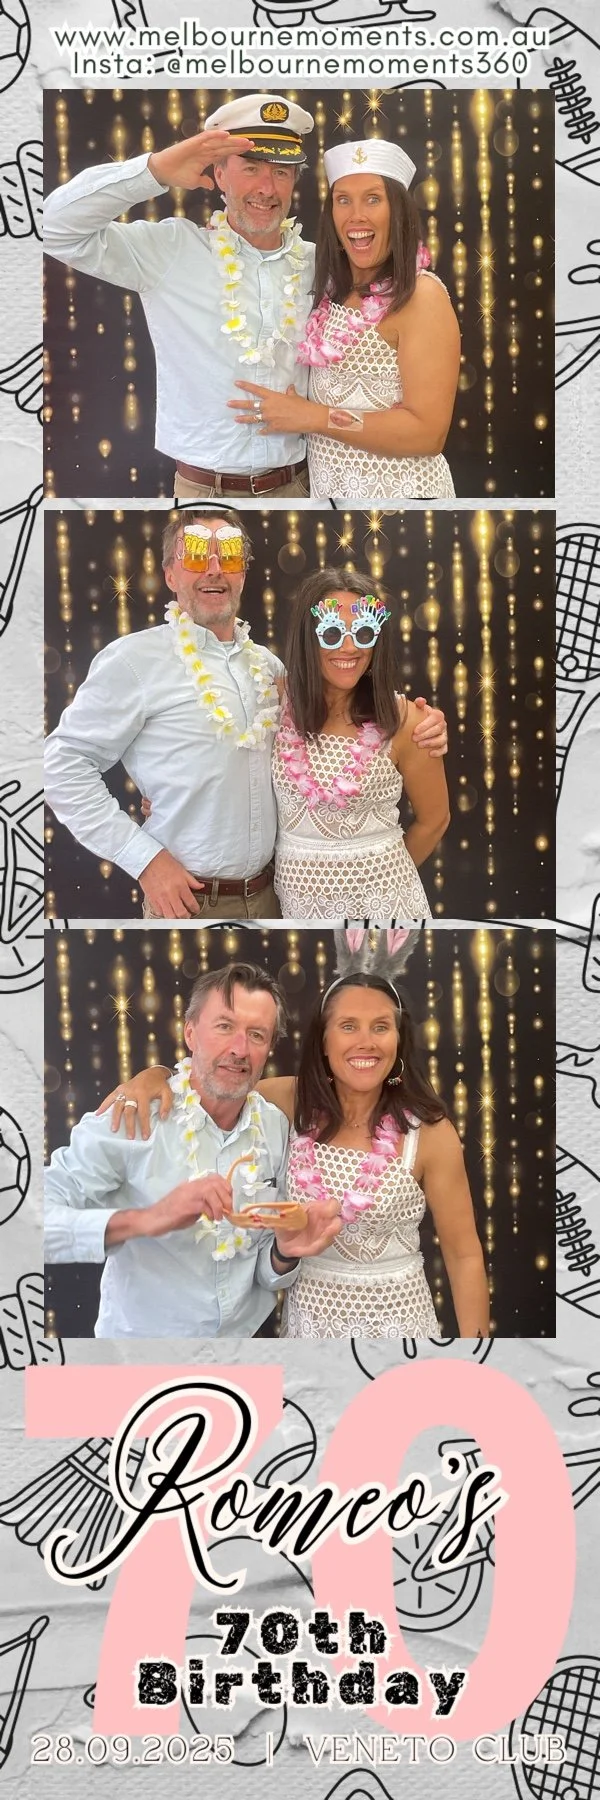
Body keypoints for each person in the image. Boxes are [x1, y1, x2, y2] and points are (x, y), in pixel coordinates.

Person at [43, 506, 448, 921]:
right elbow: (62, 763)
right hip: (188, 902)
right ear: (169, 574)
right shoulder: (133, 661)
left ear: (243, 574)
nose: (214, 569)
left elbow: (338, 708)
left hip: (277, 897)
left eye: (230, 557)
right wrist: (144, 860)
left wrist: (425, 721)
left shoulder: (273, 673)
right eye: (197, 555)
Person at [99, 933, 490, 1341]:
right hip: (309, 1326)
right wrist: (155, 1075)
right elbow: (212, 1079)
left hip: (400, 1324)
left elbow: (464, 1257)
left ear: (398, 1039)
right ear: (324, 1040)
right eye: (348, 1026)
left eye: (381, 1027)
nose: (366, 1042)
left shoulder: (428, 1132)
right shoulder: (285, 1101)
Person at [44, 964, 341, 1339]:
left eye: (256, 1034)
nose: (239, 1049)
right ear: (190, 1033)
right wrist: (148, 1219)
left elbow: (266, 1275)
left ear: (269, 1049)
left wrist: (285, 1254)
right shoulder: (132, 1117)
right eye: (224, 1026)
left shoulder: (275, 1128)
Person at [43, 95, 316, 499]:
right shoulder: (171, 249)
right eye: (251, 168)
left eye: (281, 172)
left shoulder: (321, 264)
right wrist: (154, 171)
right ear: (220, 174)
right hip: (201, 491)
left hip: (300, 486)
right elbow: (52, 228)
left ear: (295, 180)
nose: (266, 188)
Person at [229, 139, 460, 502]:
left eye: (373, 199)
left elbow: (427, 433)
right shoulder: (330, 286)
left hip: (402, 498)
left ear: (397, 211)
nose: (356, 216)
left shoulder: (421, 296)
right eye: (343, 200)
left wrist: (311, 417)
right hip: (329, 497)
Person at [272, 568, 450, 920]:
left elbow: (435, 820)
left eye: (364, 633)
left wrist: (375, 878)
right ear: (308, 637)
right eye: (332, 633)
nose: (349, 647)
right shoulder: (275, 701)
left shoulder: (406, 721)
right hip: (296, 907)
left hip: (385, 905)